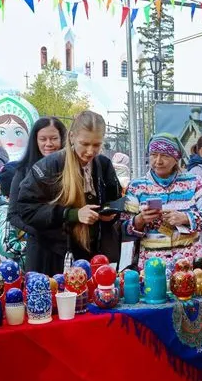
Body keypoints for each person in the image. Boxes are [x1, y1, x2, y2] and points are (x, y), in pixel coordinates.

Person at [16, 111, 122, 275]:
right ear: (71, 137)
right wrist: (72, 214)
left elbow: (115, 201)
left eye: (96, 145)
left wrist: (108, 212)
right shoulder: (48, 166)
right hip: (52, 258)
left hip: (93, 257)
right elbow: (26, 209)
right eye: (85, 143)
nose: (90, 151)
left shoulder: (104, 164)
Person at [123, 133, 202, 267]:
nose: (158, 161)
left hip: (189, 264)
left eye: (165, 156)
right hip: (152, 267)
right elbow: (123, 228)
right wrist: (140, 220)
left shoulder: (193, 182)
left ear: (176, 158)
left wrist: (185, 218)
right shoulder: (137, 186)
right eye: (153, 155)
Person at [8, 117, 68, 241]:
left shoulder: (71, 171)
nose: (48, 144)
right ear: (35, 141)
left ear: (62, 139)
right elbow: (13, 215)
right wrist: (38, 233)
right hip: (38, 244)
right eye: (43, 139)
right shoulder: (23, 171)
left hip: (68, 243)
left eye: (54, 138)